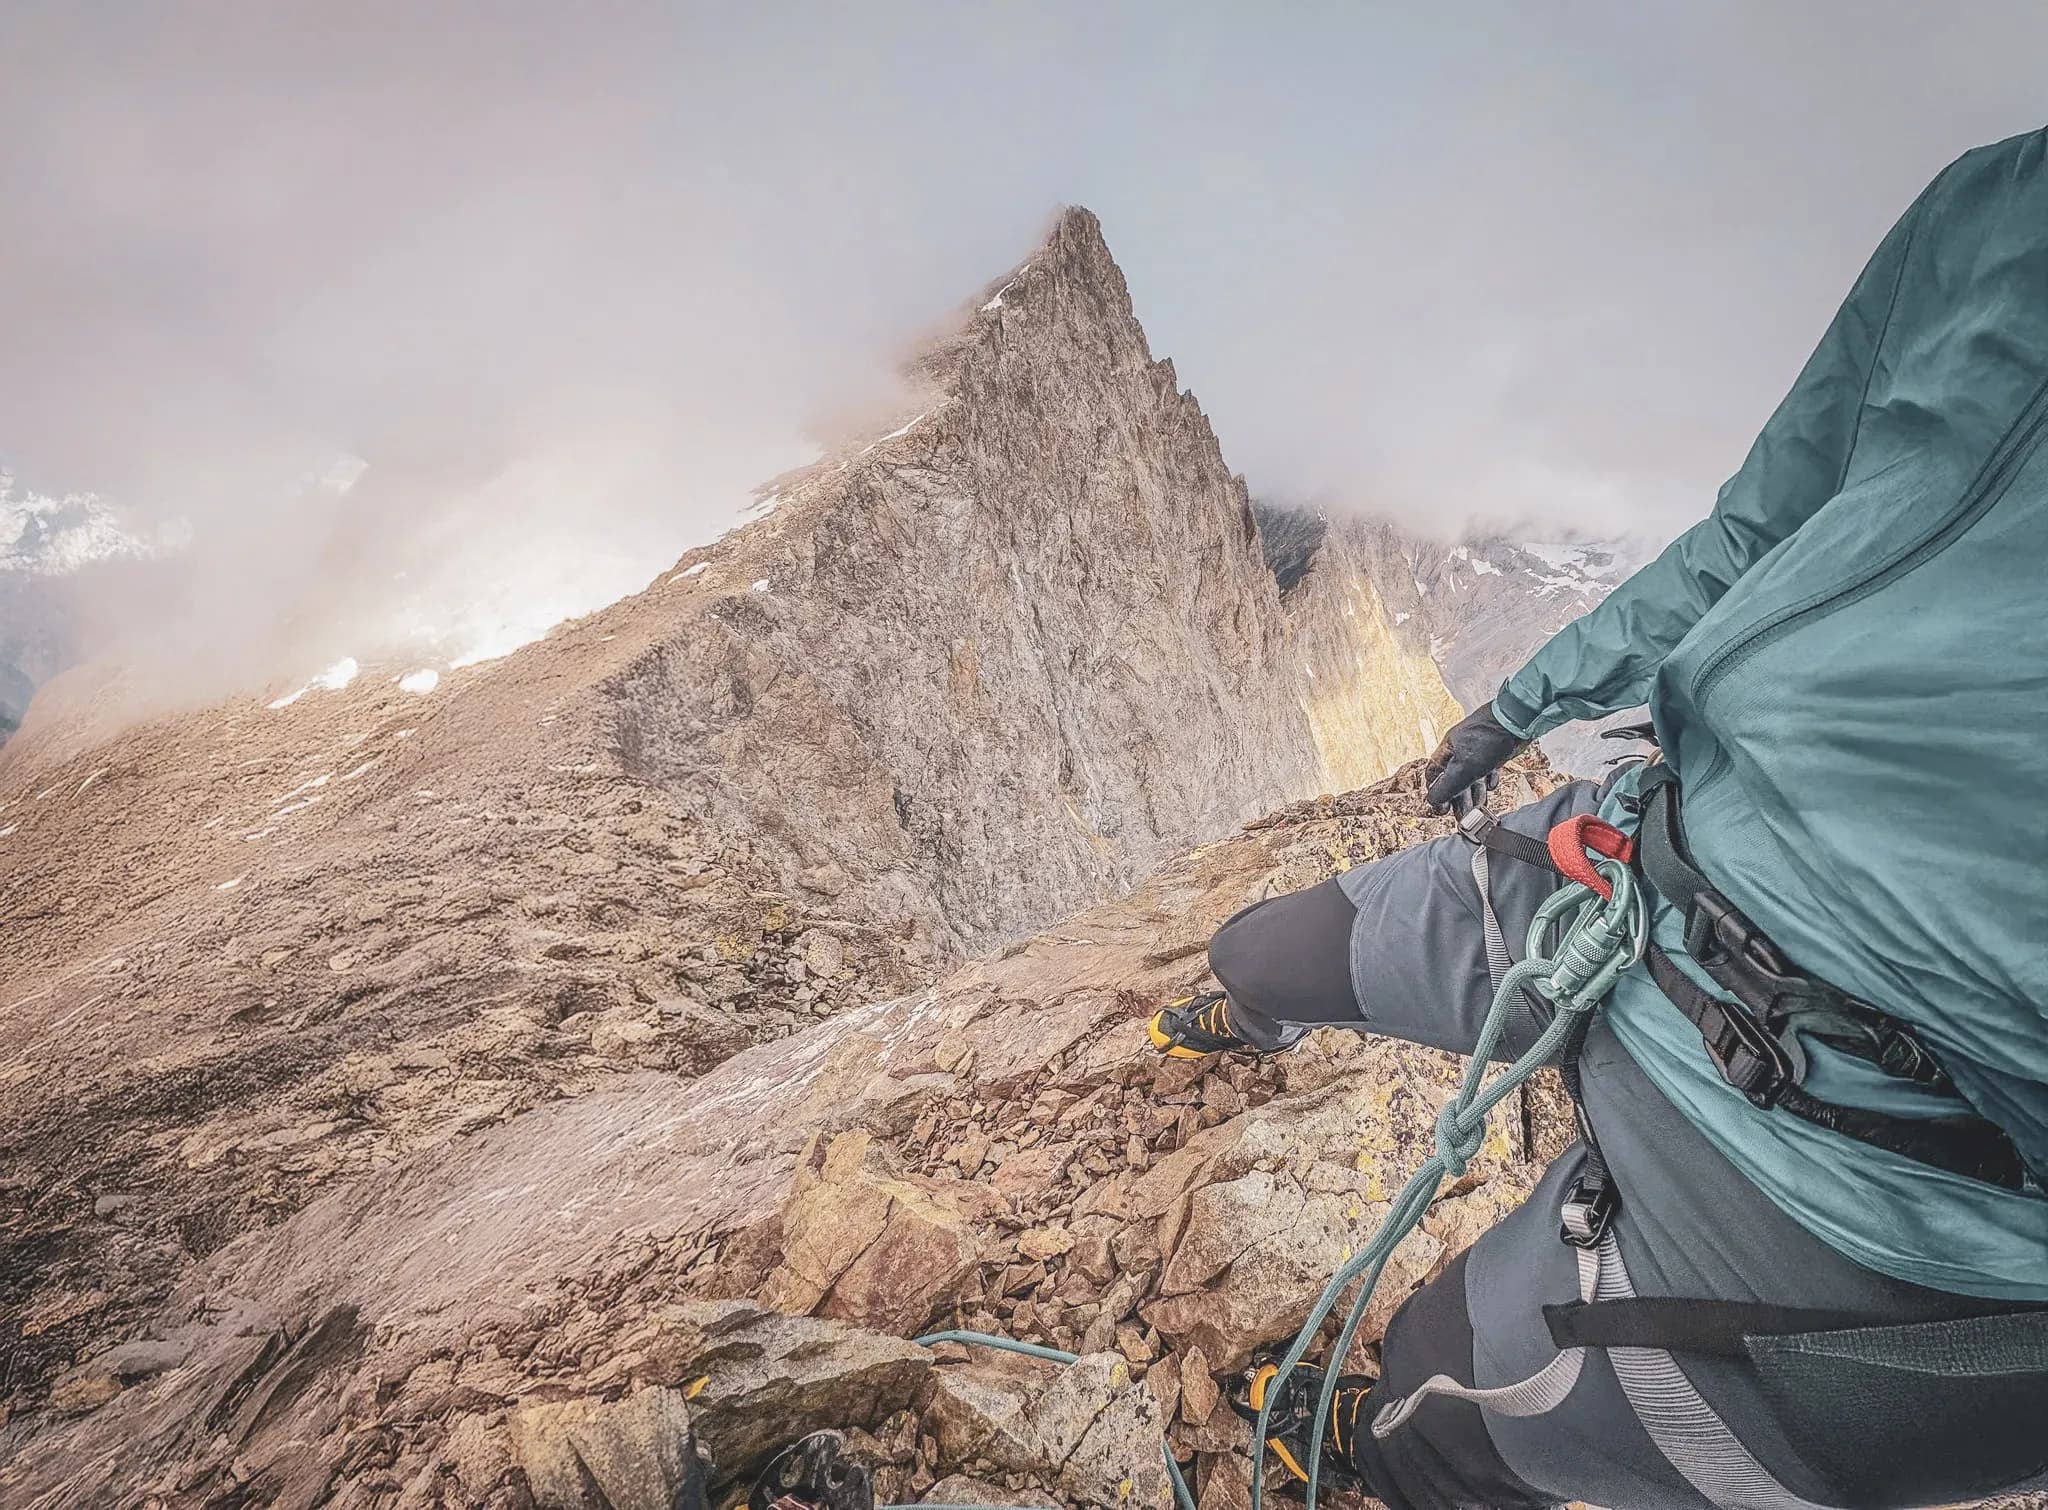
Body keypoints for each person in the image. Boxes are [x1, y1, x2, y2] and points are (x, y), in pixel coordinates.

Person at [1152, 127, 2048, 1509]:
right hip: (1639, 865)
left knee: (1426, 1405)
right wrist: (1518, 705)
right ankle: (1254, 1011)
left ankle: (1351, 1458)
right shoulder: (1998, 207)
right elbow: (1765, 528)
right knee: (1264, 948)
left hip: (1861, 1191)